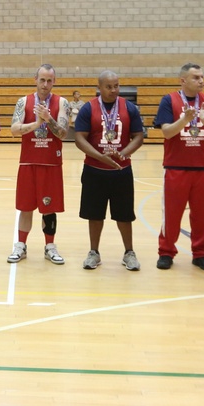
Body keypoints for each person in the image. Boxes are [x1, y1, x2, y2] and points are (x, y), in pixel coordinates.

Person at [153, 62, 204, 271]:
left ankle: (201, 254)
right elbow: (166, 132)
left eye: (202, 77)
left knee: (203, 215)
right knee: (172, 214)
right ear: (183, 80)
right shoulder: (169, 100)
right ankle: (166, 252)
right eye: (196, 77)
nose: (201, 80)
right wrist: (185, 120)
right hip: (176, 167)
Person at [74, 70, 145, 270]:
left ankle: (129, 252)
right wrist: (99, 156)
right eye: (109, 86)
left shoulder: (129, 108)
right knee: (94, 214)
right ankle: (94, 252)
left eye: (117, 86)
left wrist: (123, 153)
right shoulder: (88, 108)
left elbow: (138, 136)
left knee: (124, 215)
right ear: (100, 87)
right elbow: (80, 137)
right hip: (94, 170)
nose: (114, 90)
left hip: (121, 171)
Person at [7, 64, 70, 265]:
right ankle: (21, 246)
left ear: (54, 81)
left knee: (48, 208)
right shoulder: (23, 101)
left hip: (51, 163)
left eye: (49, 80)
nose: (45, 84)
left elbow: (63, 133)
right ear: (35, 79)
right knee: (25, 207)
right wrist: (35, 124)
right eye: (42, 80)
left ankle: (50, 246)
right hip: (28, 161)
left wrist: (48, 118)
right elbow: (14, 129)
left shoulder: (62, 103)